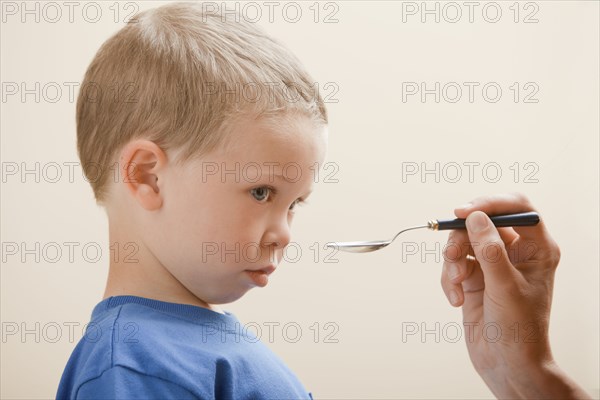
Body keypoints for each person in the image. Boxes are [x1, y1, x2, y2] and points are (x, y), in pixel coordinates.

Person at [56, 2, 591, 399]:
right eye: (262, 192)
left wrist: (526, 375)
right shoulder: (133, 367)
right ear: (148, 176)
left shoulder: (195, 348)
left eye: (294, 204)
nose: (285, 232)